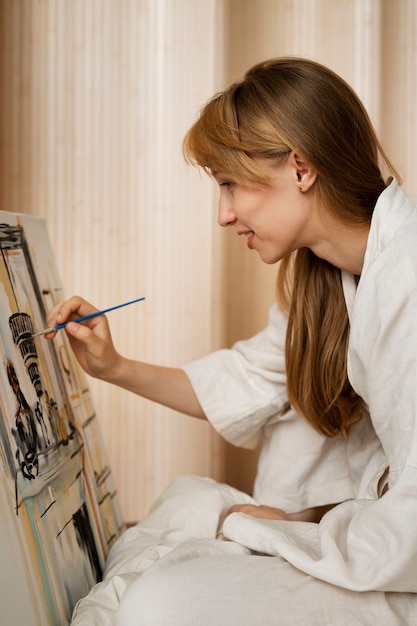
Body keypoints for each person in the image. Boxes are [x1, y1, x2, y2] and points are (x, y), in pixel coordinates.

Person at [50, 58, 417, 624]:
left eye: (229, 184)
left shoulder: (407, 278)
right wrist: (114, 367)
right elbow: (244, 380)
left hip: (394, 556)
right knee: (185, 501)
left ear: (300, 168)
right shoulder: (328, 280)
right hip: (363, 523)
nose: (223, 215)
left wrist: (296, 527)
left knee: (155, 605)